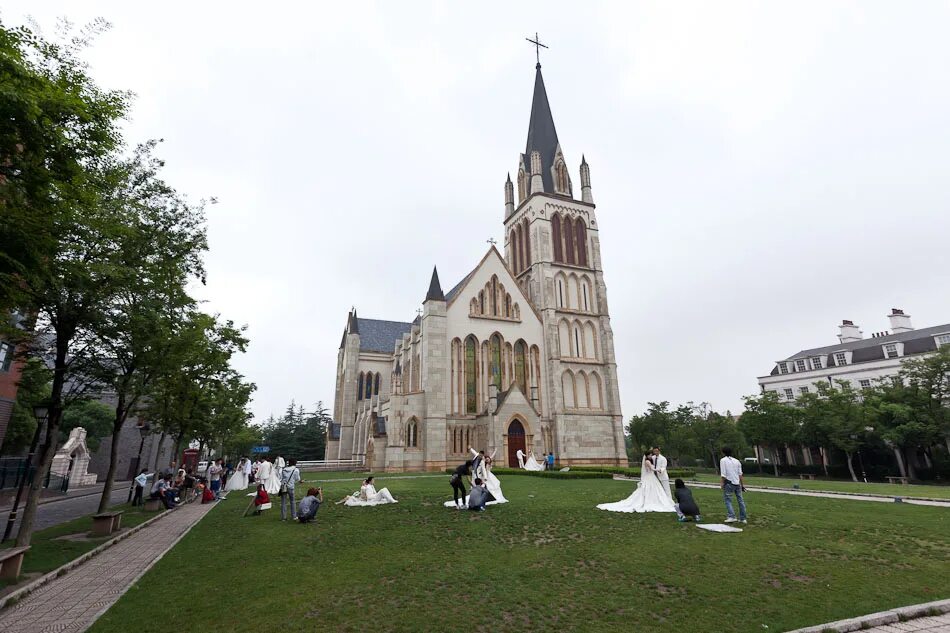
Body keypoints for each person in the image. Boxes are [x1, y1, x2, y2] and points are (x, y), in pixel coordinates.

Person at [597, 451, 676, 513]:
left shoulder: (649, 460)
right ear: (648, 455)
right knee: (651, 489)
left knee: (652, 489)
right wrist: (658, 469)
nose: (652, 456)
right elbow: (652, 469)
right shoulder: (648, 461)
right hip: (650, 477)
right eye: (650, 455)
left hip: (651, 477)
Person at [720, 447, 748, 524]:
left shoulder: (723, 460)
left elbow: (723, 474)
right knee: (740, 500)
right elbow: (740, 474)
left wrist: (722, 483)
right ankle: (743, 518)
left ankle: (731, 516)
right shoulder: (737, 461)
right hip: (737, 483)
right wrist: (742, 485)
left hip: (729, 482)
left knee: (728, 500)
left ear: (723, 452)